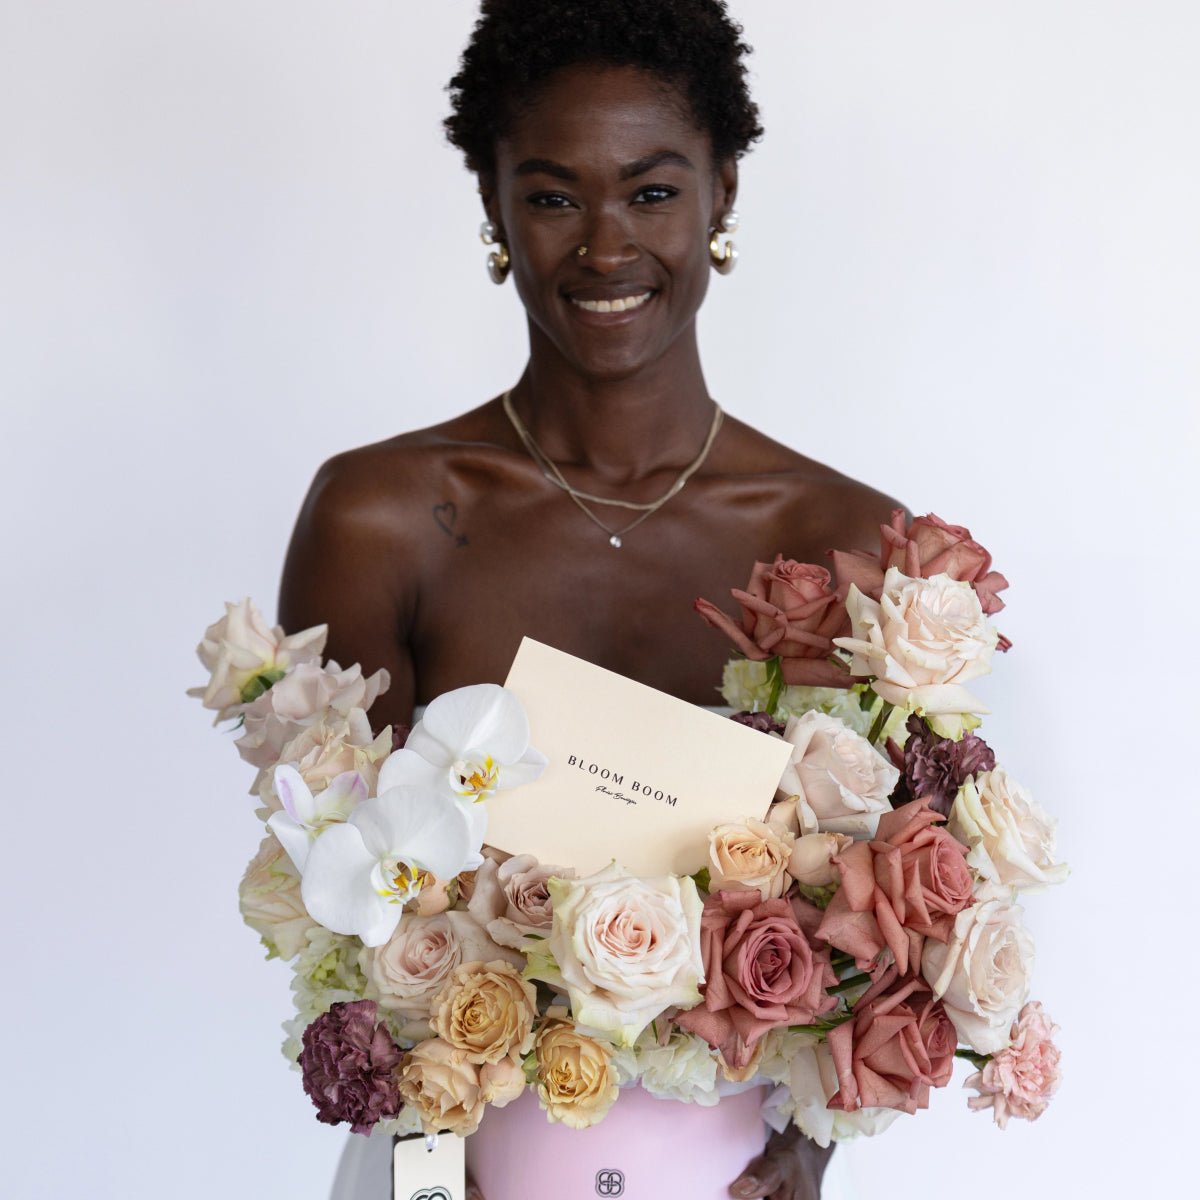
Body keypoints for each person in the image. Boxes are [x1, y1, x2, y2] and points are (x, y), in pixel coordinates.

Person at [279, 2, 900, 1197]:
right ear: (494, 203)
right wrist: (424, 1162)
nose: (606, 248)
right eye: (556, 195)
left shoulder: (841, 540)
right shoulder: (380, 517)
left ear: (723, 192)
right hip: (446, 1163)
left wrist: (814, 1141)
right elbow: (336, 905)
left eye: (653, 192)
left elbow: (881, 922)